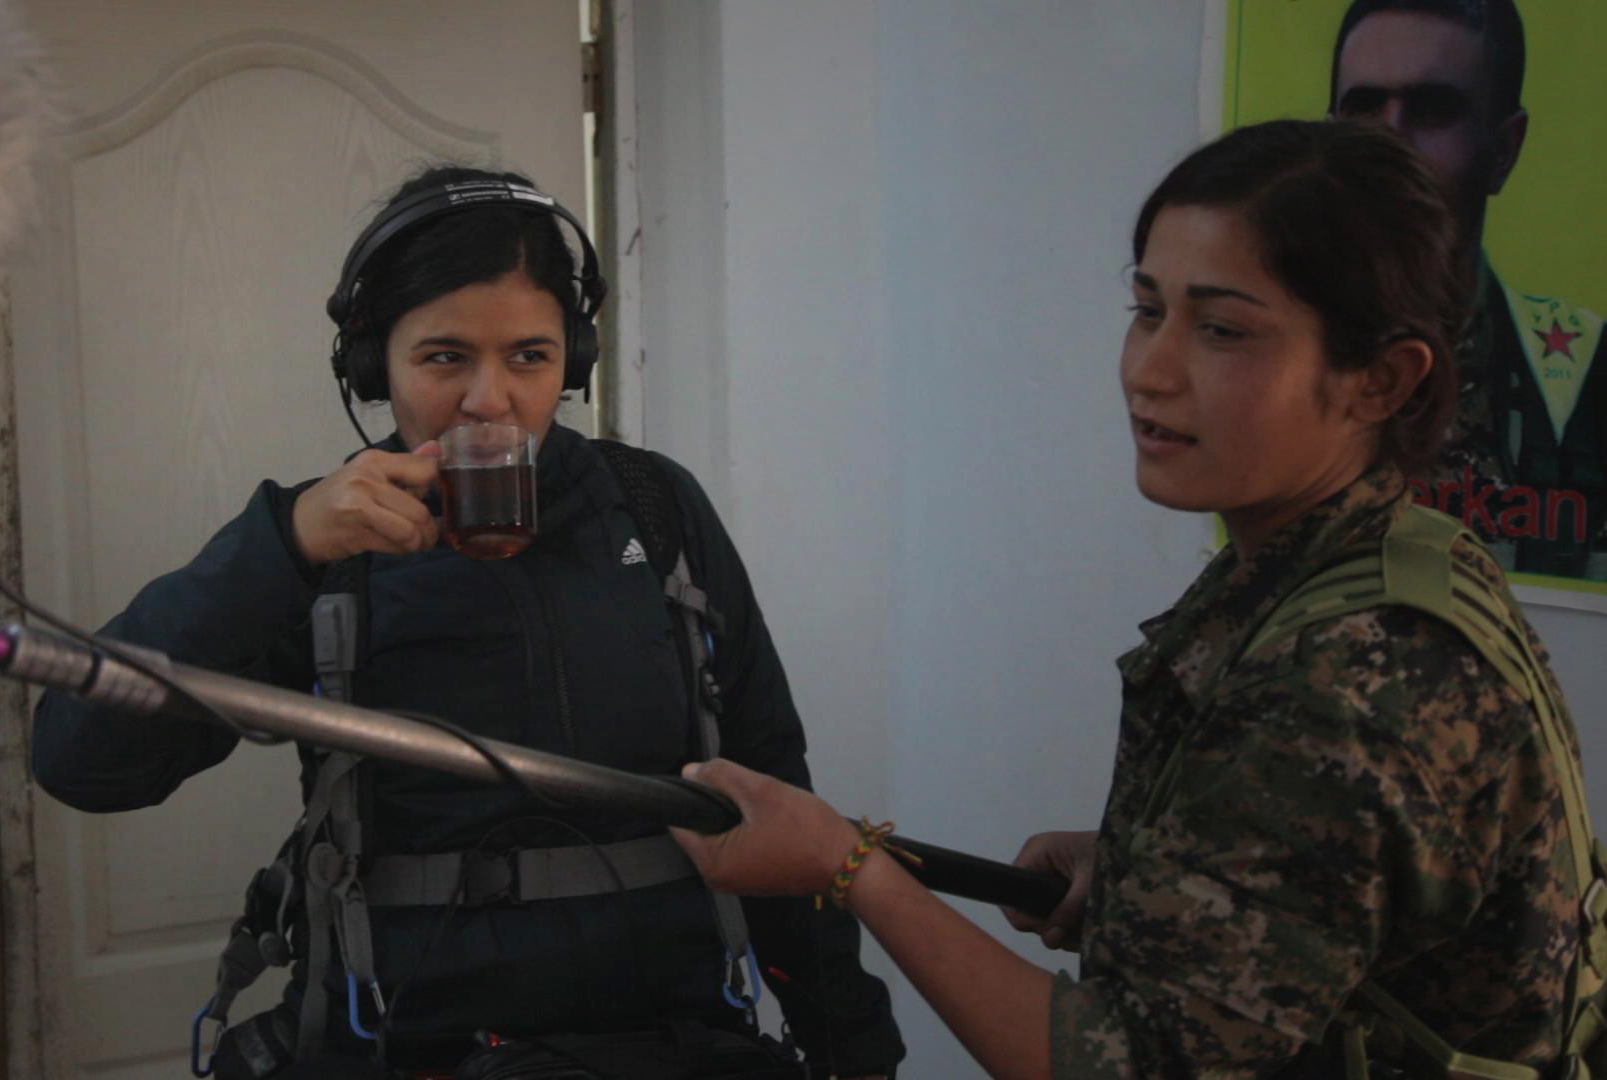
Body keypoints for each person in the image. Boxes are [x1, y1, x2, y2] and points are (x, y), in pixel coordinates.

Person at [673, 119, 1593, 1078]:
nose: (1150, 370)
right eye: (1148, 309)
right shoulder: (1389, 553)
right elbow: (1349, 893)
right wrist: (1155, 873)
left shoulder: (1347, 675)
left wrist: (846, 865)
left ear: (1380, 379)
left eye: (1224, 329)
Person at [31, 165, 903, 1079]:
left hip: (671, 1046)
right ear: (373, 365)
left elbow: (772, 783)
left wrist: (855, 1048)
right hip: (404, 1049)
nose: (490, 401)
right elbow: (84, 763)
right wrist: (282, 547)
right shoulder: (320, 544)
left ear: (576, 356)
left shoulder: (654, 509)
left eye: (529, 355)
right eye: (445, 357)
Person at [1331, 0, 1607, 578]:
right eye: (1363, 108)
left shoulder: (1584, 386)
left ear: (1503, 150)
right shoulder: (1263, 354)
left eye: (1432, 110)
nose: (1390, 142)